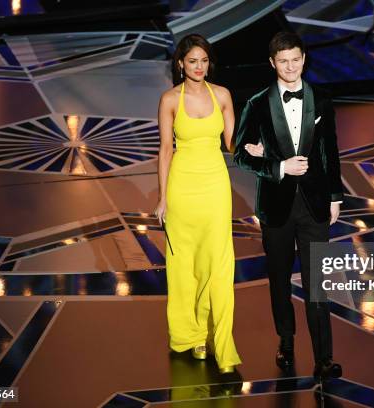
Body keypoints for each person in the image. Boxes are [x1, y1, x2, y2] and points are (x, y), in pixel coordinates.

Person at [234, 31, 343, 380]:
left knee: (317, 283)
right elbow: (240, 155)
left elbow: (330, 151)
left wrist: (336, 196)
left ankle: (324, 358)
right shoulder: (257, 103)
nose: (291, 66)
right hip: (276, 207)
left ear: (304, 59)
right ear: (272, 63)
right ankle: (286, 341)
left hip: (315, 205)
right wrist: (279, 166)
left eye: (296, 59)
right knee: (279, 281)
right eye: (283, 61)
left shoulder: (321, 99)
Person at [155, 33, 241, 374]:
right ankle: (192, 337)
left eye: (204, 61)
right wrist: (162, 197)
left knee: (218, 266)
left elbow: (233, 143)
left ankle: (222, 344)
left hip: (216, 188)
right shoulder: (169, 100)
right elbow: (165, 150)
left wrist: (256, 147)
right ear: (180, 64)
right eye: (192, 61)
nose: (199, 67)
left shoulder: (222, 95)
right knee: (184, 268)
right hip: (182, 189)